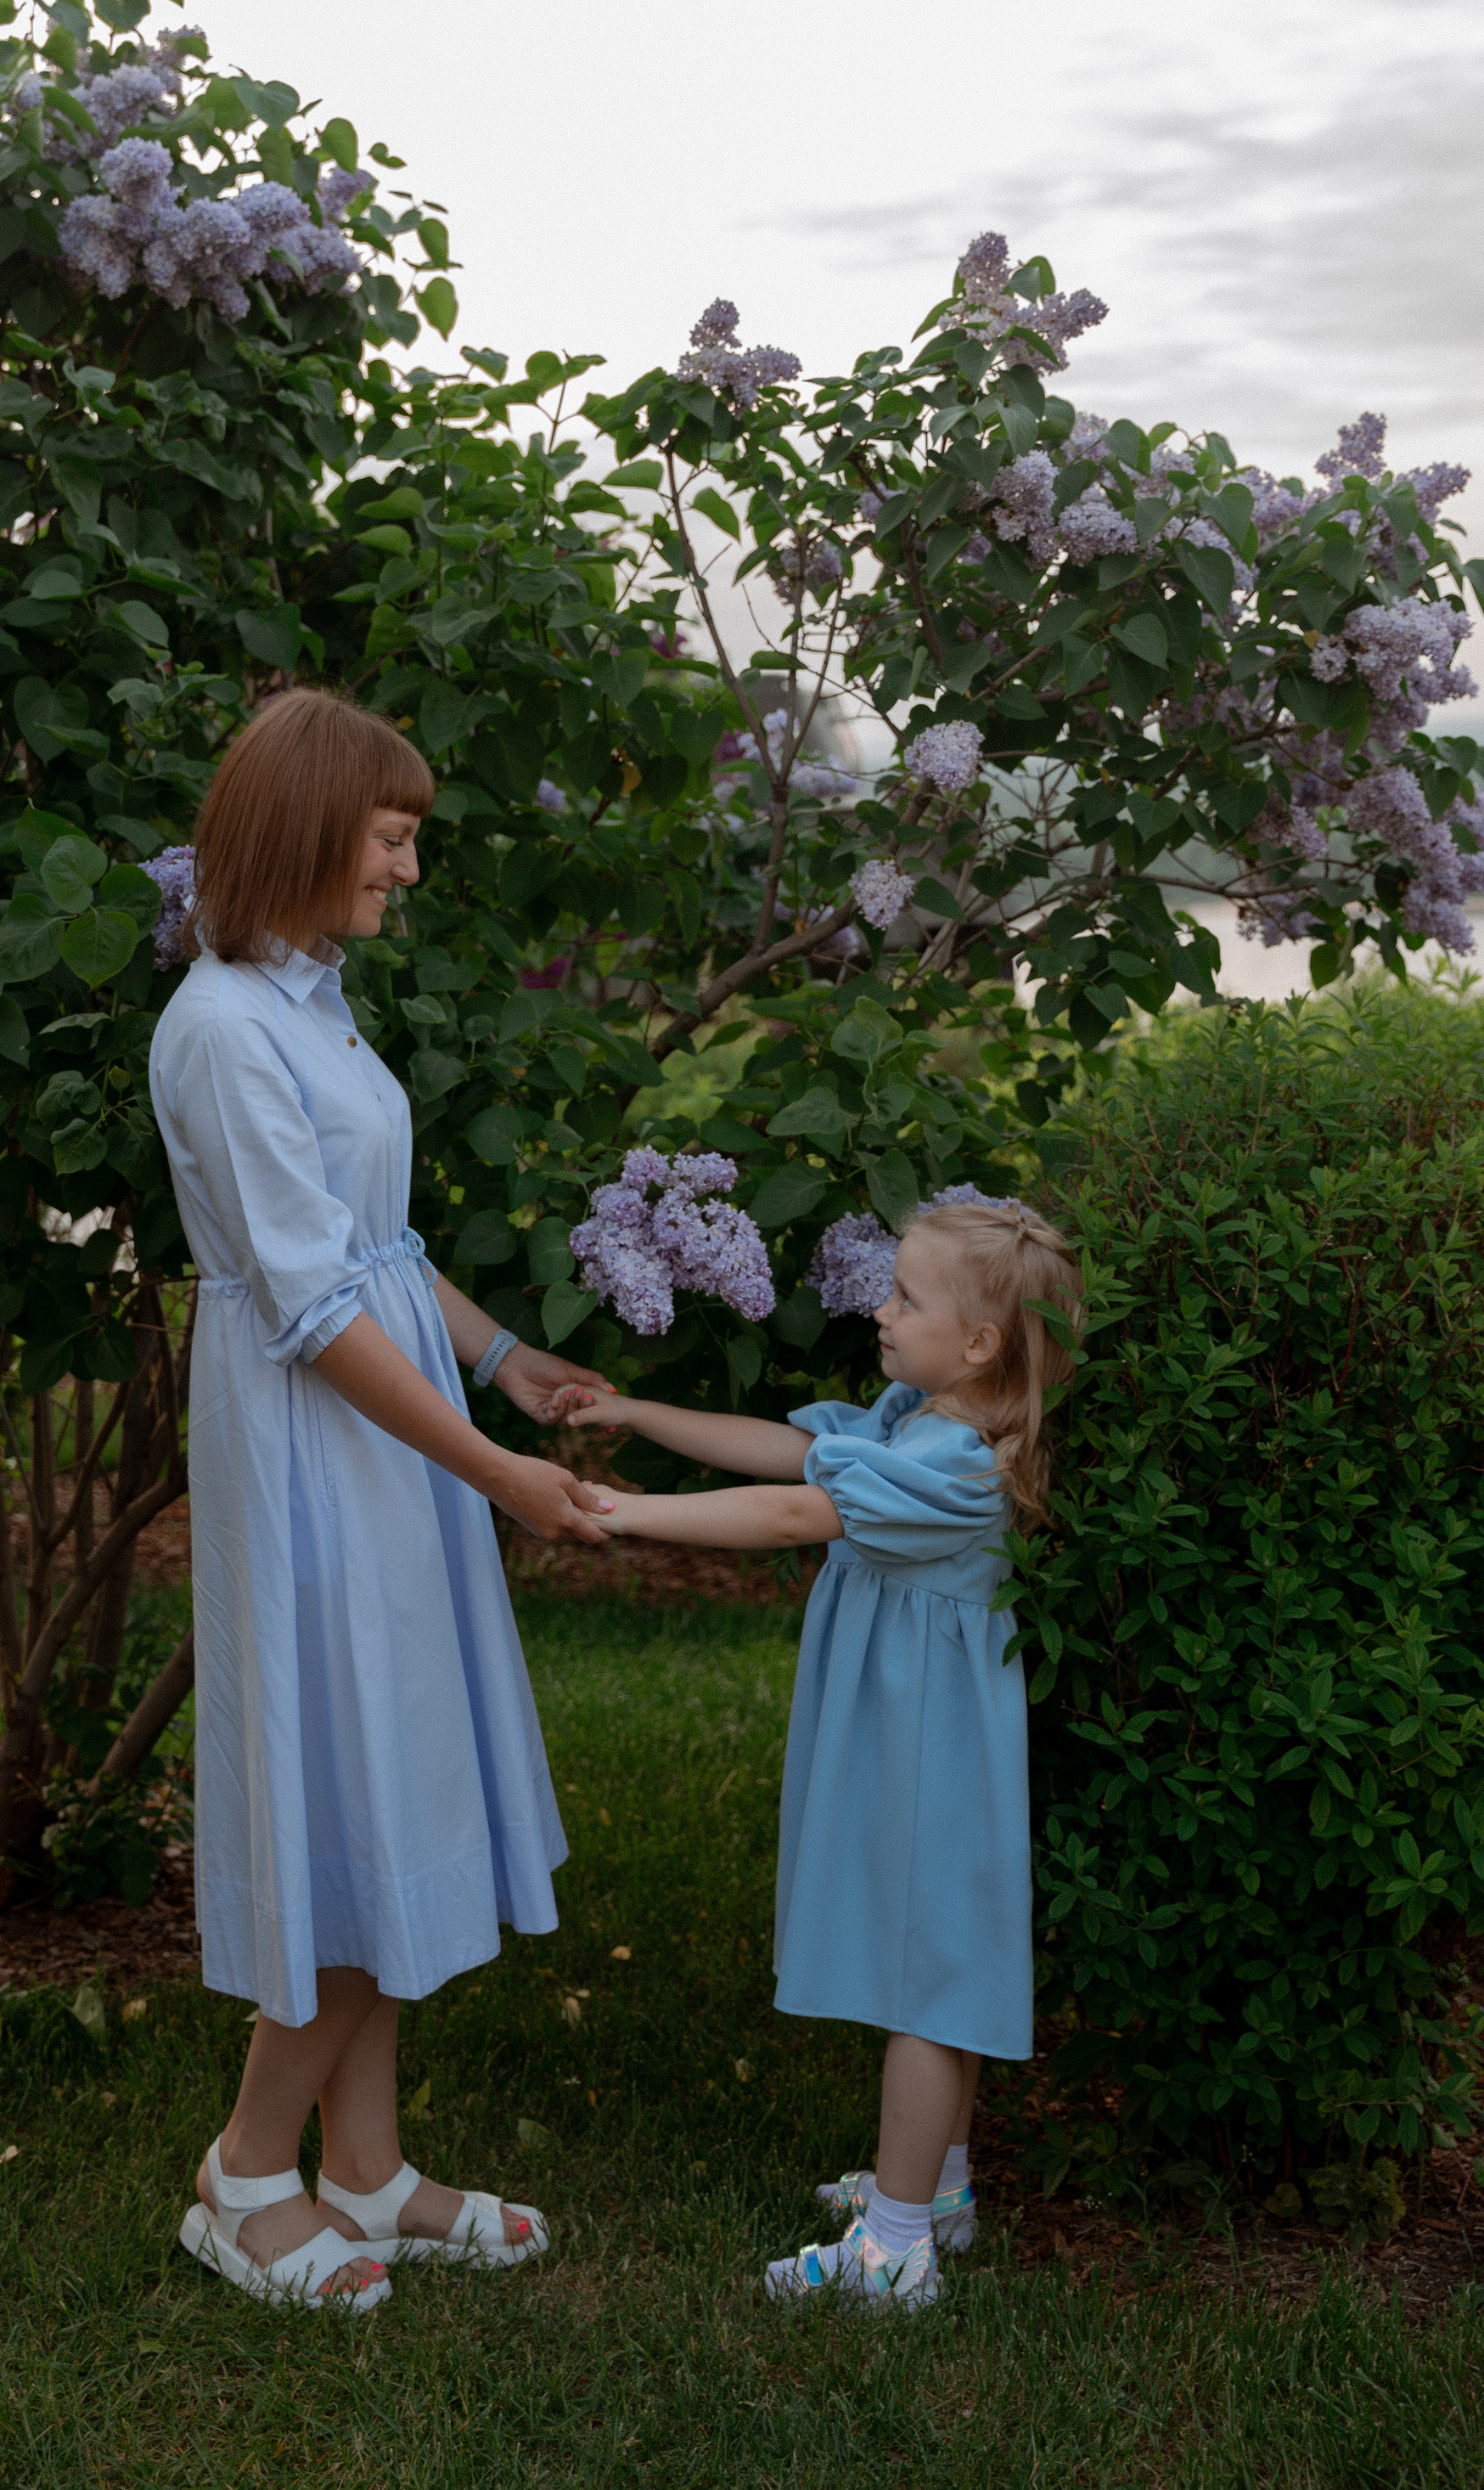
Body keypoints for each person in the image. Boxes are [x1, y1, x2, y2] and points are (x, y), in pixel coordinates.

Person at [149, 689, 616, 2313]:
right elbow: (303, 1306)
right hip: (316, 1451)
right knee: (351, 1787)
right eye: (396, 837)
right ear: (311, 826)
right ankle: (247, 2171)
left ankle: (369, 2171)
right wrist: (487, 1471)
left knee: (402, 1773)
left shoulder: (314, 999)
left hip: (394, 1431)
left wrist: (507, 1371)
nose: (409, 871)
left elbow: (381, 1255)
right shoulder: (219, 1028)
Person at [554, 1192, 1082, 2311]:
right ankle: (936, 2189)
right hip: (913, 1722)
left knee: (928, 1974)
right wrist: (638, 1411)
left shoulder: (957, 1470)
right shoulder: (920, 1415)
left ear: (981, 1341)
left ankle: (892, 2252)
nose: (880, 1311)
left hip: (928, 1738)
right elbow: (800, 1450)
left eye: (906, 1297)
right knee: (931, 1951)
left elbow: (799, 1509)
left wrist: (626, 1515)